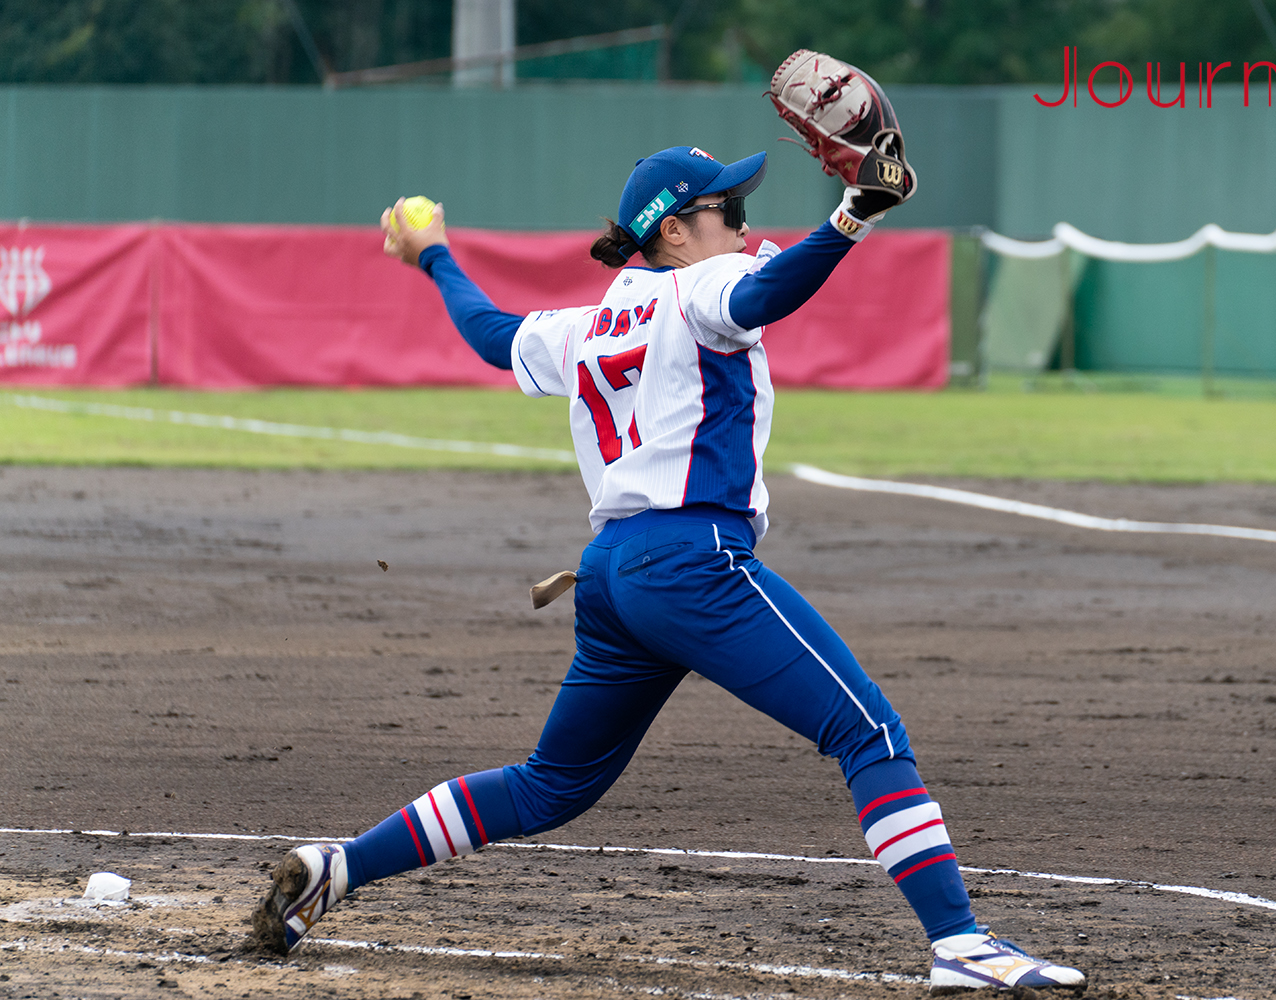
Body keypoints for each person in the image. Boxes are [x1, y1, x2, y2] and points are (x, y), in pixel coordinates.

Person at [250, 145, 1084, 993]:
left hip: (612, 576)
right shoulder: (703, 289)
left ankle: (341, 866)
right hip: (691, 565)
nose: (746, 223)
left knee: (551, 787)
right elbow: (768, 291)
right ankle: (961, 944)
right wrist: (851, 214)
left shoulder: (587, 323)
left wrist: (432, 253)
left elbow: (491, 335)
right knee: (866, 733)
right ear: (676, 231)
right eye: (730, 208)